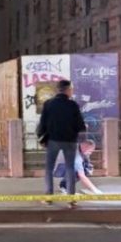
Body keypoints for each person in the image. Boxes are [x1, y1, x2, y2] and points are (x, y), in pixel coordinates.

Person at [37, 79, 86, 207]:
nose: (72, 91)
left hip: (53, 140)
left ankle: (48, 197)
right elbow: (80, 125)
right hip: (70, 141)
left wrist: (41, 138)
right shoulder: (73, 105)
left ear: (58, 90)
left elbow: (42, 123)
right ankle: (71, 199)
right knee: (70, 168)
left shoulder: (48, 104)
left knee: (49, 169)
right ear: (67, 90)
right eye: (71, 89)